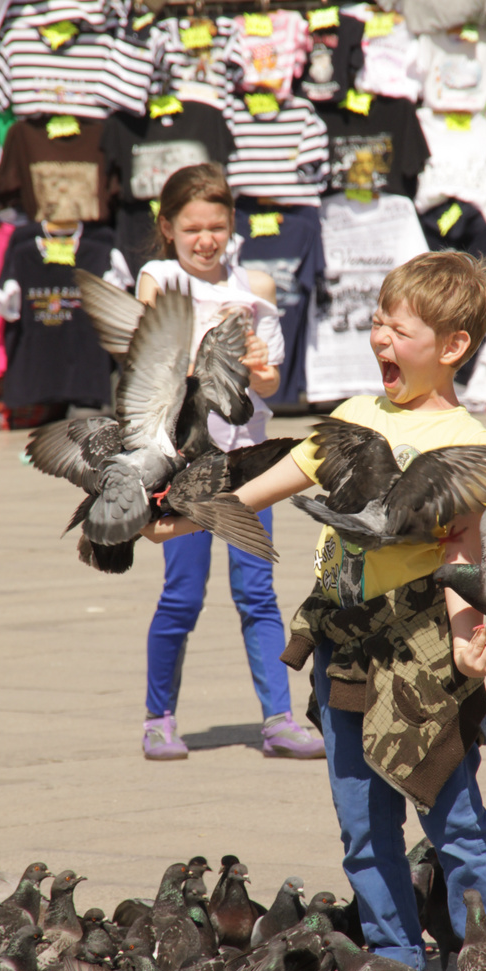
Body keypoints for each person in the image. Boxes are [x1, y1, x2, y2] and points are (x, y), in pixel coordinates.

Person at [142, 251, 486, 969]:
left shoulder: (466, 444)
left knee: (452, 821)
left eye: (397, 329)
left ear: (453, 347)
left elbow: (462, 555)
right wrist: (177, 521)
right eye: (376, 322)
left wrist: (471, 640)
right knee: (362, 824)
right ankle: (396, 964)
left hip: (419, 659)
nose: (379, 338)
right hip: (343, 648)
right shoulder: (351, 418)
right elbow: (258, 491)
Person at [138, 163, 325, 762]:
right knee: (182, 595)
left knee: (258, 594)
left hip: (246, 460)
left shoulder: (257, 287)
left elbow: (267, 384)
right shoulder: (159, 276)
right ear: (166, 227)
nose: (205, 239)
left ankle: (278, 718)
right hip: (185, 464)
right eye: (191, 227)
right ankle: (158, 718)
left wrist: (261, 370)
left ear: (232, 226)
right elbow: (156, 356)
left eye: (217, 226)